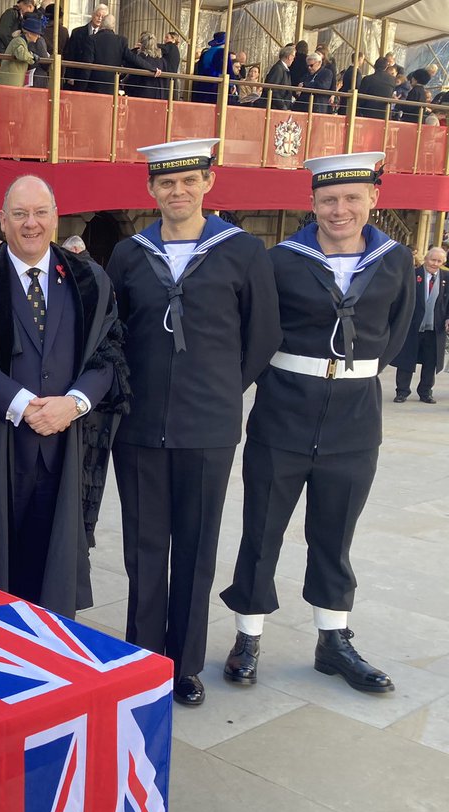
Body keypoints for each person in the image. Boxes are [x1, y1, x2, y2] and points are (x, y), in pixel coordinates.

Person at [220, 152, 415, 695]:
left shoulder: (395, 261)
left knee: (335, 533)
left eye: (352, 198)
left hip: (355, 420)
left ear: (373, 199)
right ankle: (248, 636)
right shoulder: (280, 260)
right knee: (262, 530)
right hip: (284, 411)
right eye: (329, 199)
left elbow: (396, 335)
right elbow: (258, 332)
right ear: (312, 203)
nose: (340, 209)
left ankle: (334, 640)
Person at [106, 139, 281, 707]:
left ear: (208, 182)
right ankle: (141, 656)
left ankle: (183, 663)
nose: (176, 192)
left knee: (197, 549)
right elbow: (113, 334)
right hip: (139, 427)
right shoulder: (130, 254)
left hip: (208, 427)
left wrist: (222, 390)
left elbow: (262, 336)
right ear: (151, 189)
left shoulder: (243, 251)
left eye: (188, 181)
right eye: (165, 183)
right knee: (144, 547)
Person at [0, 175, 126, 614]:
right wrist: (23, 404)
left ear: (55, 218)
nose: (31, 224)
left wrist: (75, 402)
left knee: (59, 564)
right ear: (2, 220)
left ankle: (58, 648)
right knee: (0, 567)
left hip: (68, 445)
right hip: (2, 447)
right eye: (20, 214)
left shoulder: (88, 280)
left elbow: (111, 353)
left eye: (40, 213)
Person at [392, 246, 448, 403]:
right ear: (426, 258)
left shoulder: (446, 277)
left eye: (439, 261)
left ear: (443, 262)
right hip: (412, 326)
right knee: (406, 360)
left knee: (431, 362)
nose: (435, 263)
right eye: (432, 260)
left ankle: (425, 392)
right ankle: (402, 391)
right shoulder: (412, 275)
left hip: (435, 328)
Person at [90, 17, 158, 96]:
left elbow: (87, 64)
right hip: (112, 87)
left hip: (93, 87)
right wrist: (152, 68)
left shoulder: (92, 39)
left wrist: (81, 88)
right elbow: (133, 58)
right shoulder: (121, 40)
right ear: (113, 26)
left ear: (101, 24)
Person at [63, 3, 105, 90]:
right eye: (98, 15)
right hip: (78, 76)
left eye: (103, 17)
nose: (100, 18)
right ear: (93, 15)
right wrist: (70, 76)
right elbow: (70, 54)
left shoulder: (105, 36)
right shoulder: (77, 32)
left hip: (96, 80)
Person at [0, 13, 41, 88]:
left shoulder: (21, 41)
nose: (38, 36)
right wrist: (32, 57)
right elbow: (21, 55)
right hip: (9, 83)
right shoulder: (19, 41)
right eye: (37, 34)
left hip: (12, 83)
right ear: (29, 34)